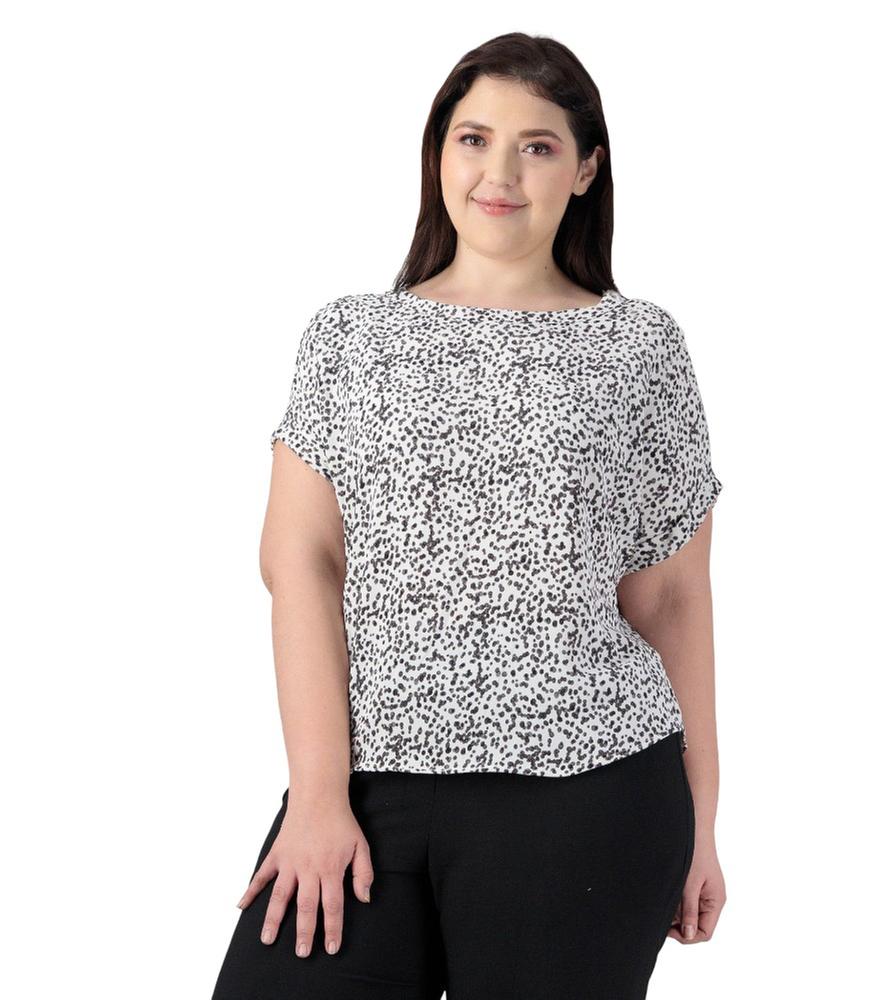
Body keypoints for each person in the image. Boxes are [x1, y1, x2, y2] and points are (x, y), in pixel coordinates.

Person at [212, 31, 727, 1000]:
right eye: (474, 138)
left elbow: (671, 600)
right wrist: (317, 796)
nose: (500, 173)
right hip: (369, 789)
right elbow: (301, 562)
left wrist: (703, 823)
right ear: (438, 152)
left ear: (585, 170)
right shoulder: (352, 335)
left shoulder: (639, 346)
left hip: (590, 793)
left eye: (538, 146)